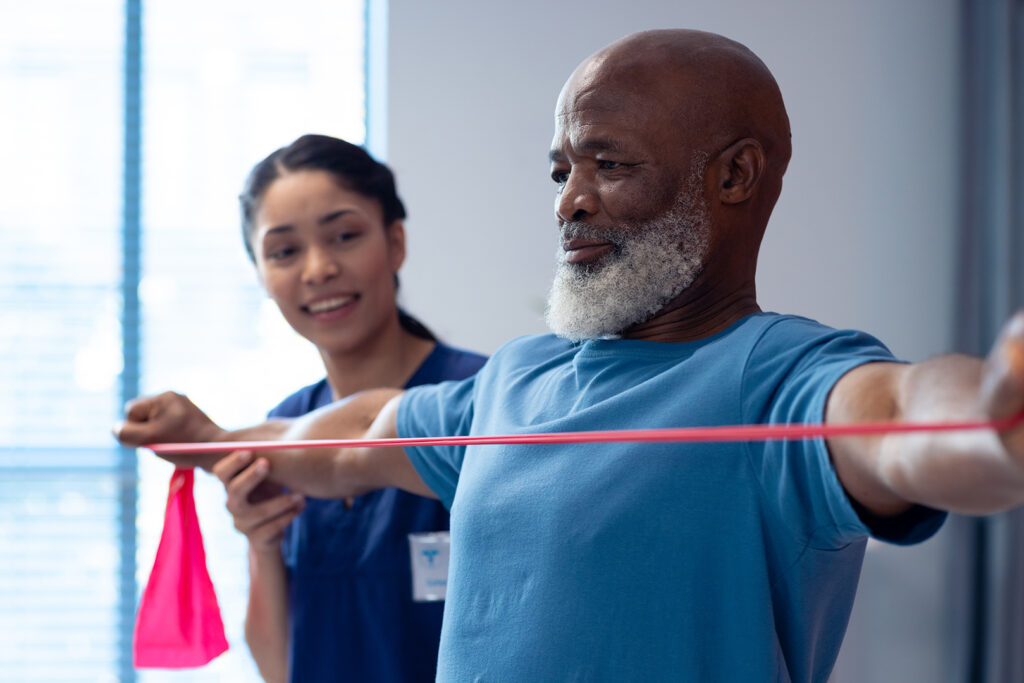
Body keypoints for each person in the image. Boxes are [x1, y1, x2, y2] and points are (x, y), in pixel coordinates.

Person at [117, 31, 1024, 681]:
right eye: (562, 172)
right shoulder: (518, 377)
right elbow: (356, 432)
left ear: (735, 176)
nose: (570, 204)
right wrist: (215, 435)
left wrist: (994, 413)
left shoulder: (780, 374)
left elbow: (904, 417)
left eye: (609, 164)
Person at [191, 134, 486, 682]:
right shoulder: (281, 433)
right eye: (284, 251)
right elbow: (281, 669)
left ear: (395, 242)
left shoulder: (480, 400)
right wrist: (262, 541)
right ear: (260, 274)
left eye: (345, 236)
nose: (318, 268)